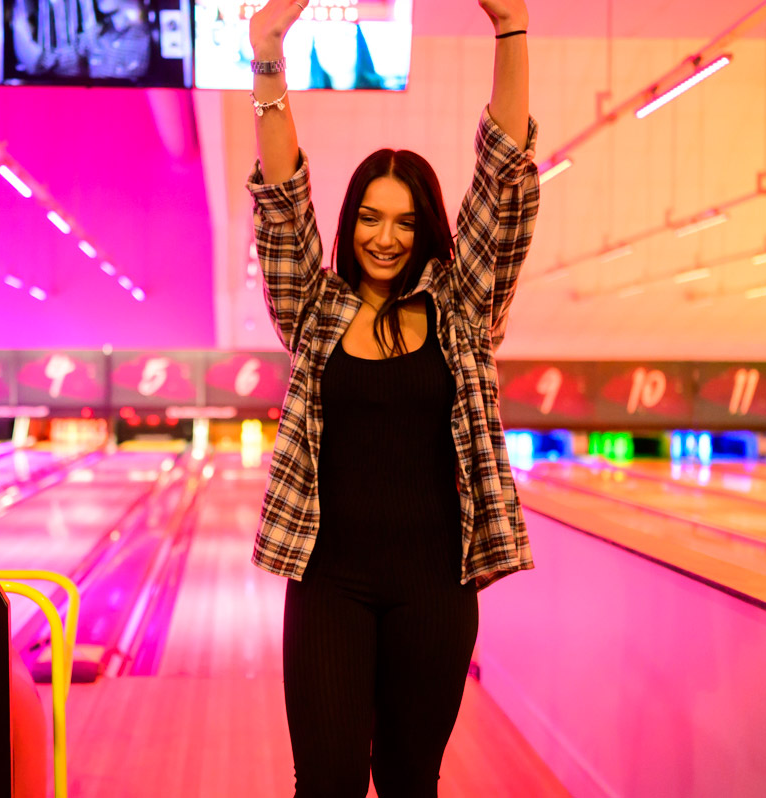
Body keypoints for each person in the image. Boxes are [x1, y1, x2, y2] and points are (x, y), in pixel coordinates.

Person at [244, 1, 539, 795]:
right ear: (349, 222)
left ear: (427, 228)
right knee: (328, 780)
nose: (384, 237)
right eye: (369, 218)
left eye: (405, 222)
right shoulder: (313, 308)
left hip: (436, 588)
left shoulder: (463, 307)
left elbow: (504, 178)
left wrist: (510, 28)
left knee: (411, 779)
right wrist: (267, 53)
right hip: (328, 584)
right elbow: (282, 203)